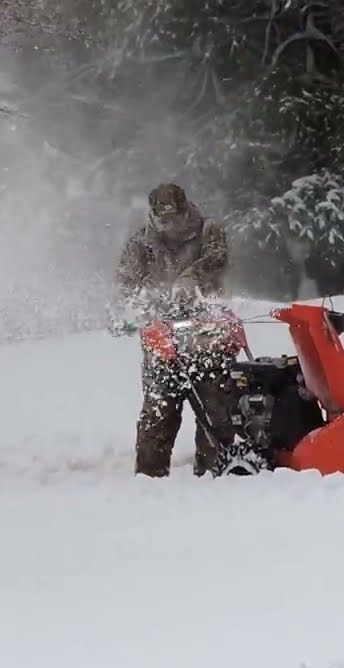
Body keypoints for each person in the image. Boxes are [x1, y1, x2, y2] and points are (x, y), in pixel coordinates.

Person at [113, 181, 234, 477]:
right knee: (157, 414)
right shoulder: (140, 244)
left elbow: (218, 259)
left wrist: (192, 278)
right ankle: (149, 479)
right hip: (162, 339)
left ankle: (216, 475)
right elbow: (126, 283)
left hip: (207, 336)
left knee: (216, 411)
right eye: (162, 220)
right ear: (154, 216)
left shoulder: (208, 230)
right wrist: (132, 308)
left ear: (185, 211)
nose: (169, 226)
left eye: (175, 219)